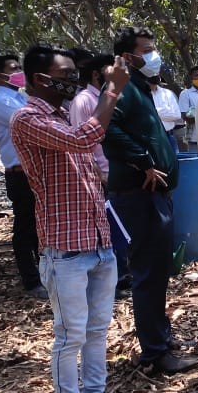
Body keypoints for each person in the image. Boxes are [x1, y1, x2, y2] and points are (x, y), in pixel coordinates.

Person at [11, 45, 140, 393]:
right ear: (38, 80)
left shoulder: (64, 114)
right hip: (65, 250)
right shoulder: (28, 118)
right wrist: (112, 92)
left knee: (98, 330)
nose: (72, 81)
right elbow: (84, 139)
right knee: (70, 337)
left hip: (97, 242)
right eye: (64, 75)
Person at [105, 26, 198, 375]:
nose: (153, 54)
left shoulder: (140, 89)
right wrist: (142, 161)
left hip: (154, 194)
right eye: (146, 49)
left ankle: (161, 338)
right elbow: (106, 130)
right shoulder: (120, 88)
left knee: (158, 271)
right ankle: (155, 354)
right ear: (128, 56)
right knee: (148, 273)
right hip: (138, 194)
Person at [68, 52, 132, 297]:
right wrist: (97, 175)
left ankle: (123, 275)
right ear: (96, 74)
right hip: (101, 176)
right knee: (109, 230)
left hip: (117, 173)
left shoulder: (107, 98)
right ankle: (113, 283)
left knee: (120, 229)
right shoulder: (83, 101)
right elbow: (80, 144)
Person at [0, 53, 44, 298]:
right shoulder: (1, 101)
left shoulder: (18, 97)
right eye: (14, 68)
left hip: (31, 171)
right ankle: (31, 281)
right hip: (19, 173)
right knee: (25, 227)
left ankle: (41, 275)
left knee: (36, 227)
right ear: (1, 75)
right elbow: (34, 124)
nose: (19, 71)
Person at [149, 75, 184, 153]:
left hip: (169, 136)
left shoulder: (167, 93)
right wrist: (166, 111)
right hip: (151, 137)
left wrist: (154, 112)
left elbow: (177, 115)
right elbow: (144, 114)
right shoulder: (141, 93)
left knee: (176, 163)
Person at [177, 65, 198, 151]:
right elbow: (185, 117)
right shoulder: (186, 94)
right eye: (197, 75)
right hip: (195, 138)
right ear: (191, 77)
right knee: (196, 163)